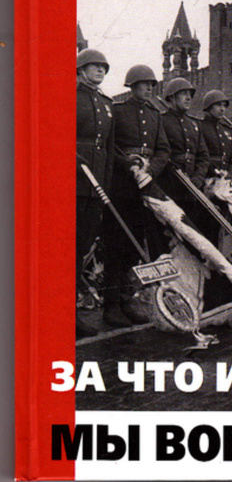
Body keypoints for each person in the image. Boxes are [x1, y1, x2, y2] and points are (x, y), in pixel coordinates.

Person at [102, 65, 170, 327]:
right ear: (132, 86)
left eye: (152, 84)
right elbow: (110, 146)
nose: (150, 88)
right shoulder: (118, 110)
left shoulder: (155, 115)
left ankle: (127, 300)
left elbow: (163, 151)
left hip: (145, 186)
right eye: (144, 84)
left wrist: (150, 170)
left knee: (135, 245)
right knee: (116, 244)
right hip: (121, 187)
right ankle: (111, 306)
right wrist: (127, 164)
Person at [76, 48, 114, 338]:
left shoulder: (105, 103)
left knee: (83, 246)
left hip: (95, 185)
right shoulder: (70, 97)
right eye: (94, 66)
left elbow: (109, 149)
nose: (100, 70)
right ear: (81, 69)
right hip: (74, 183)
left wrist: (106, 182)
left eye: (103, 67)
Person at [159, 78, 209, 217]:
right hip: (169, 185)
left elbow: (203, 156)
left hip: (192, 187)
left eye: (190, 94)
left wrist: (197, 178)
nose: (188, 98)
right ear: (172, 97)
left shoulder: (193, 124)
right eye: (184, 94)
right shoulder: (161, 120)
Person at [200, 89, 232, 181]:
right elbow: (201, 156)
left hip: (226, 178)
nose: (222, 109)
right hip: (207, 177)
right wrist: (214, 171)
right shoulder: (200, 127)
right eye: (218, 105)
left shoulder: (227, 130)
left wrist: (231, 174)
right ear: (209, 107)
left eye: (224, 105)